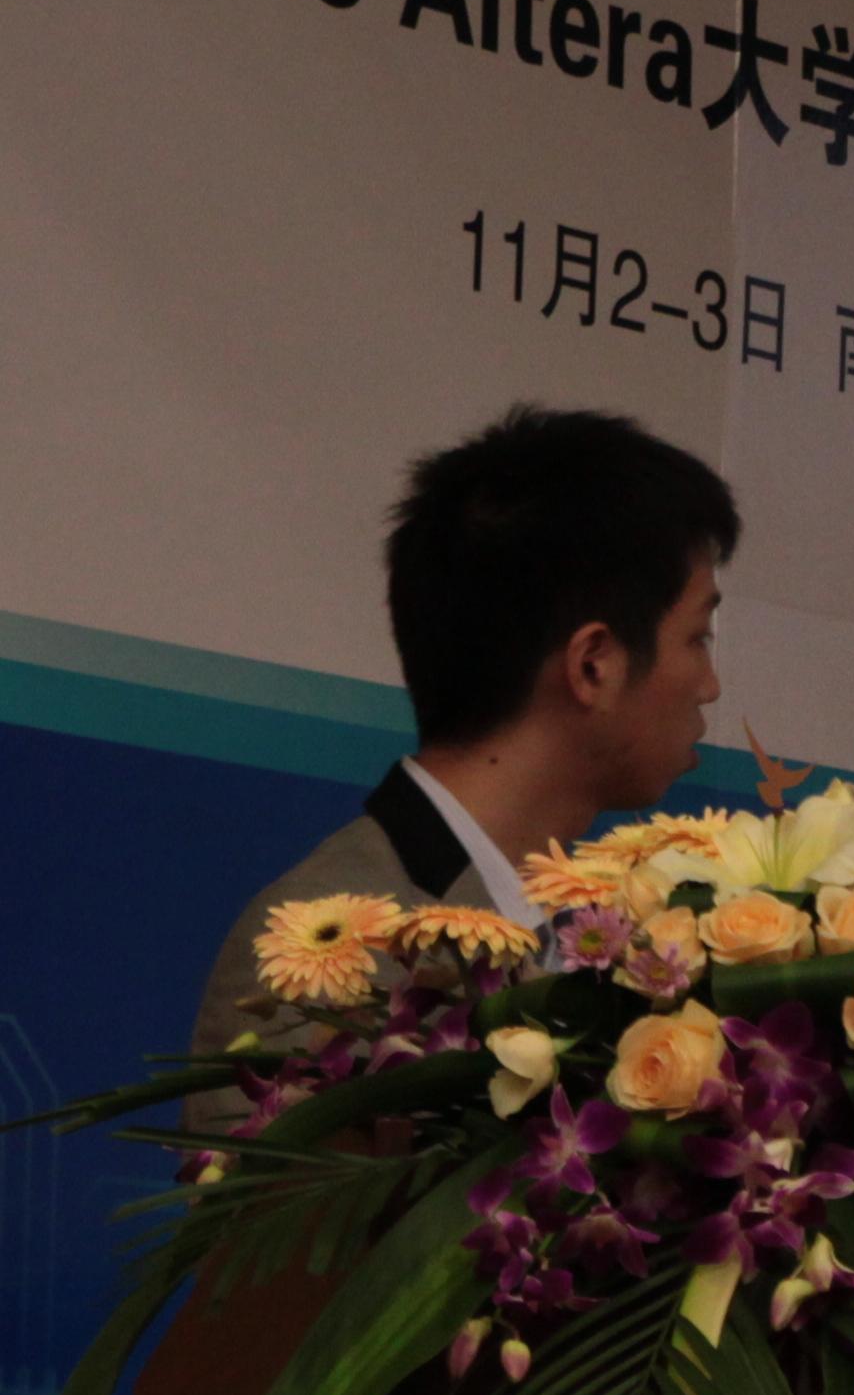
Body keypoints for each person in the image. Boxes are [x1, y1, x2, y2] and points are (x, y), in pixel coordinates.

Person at [190, 404, 739, 1058]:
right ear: (593, 665)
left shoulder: (621, 933)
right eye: (697, 638)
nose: (710, 686)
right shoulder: (323, 962)